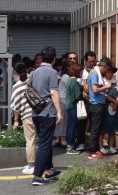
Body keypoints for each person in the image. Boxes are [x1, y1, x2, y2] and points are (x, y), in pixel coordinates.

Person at [29, 46, 63, 187]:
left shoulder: (34, 72)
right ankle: (37, 176)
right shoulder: (52, 72)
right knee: (44, 144)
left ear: (41, 58)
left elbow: (29, 90)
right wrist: (59, 111)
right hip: (47, 112)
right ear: (54, 60)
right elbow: (54, 93)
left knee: (45, 141)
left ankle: (48, 170)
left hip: (35, 112)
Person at [11, 61, 36, 175]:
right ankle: (42, 164)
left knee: (30, 141)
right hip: (38, 112)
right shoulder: (31, 80)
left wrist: (16, 120)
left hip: (27, 115)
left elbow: (16, 106)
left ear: (15, 72)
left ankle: (31, 165)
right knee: (42, 141)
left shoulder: (17, 86)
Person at [87, 57, 113, 159]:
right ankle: (92, 151)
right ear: (102, 66)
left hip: (98, 104)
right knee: (95, 129)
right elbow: (95, 90)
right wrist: (106, 87)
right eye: (106, 69)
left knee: (97, 128)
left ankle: (96, 150)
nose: (106, 71)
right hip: (96, 104)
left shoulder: (96, 73)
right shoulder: (94, 74)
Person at [100, 67, 118, 155]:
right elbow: (103, 95)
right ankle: (101, 146)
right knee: (103, 127)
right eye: (108, 71)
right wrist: (114, 101)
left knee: (112, 128)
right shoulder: (102, 81)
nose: (110, 73)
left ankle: (111, 146)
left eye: (111, 71)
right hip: (106, 106)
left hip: (115, 106)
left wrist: (116, 102)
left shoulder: (116, 81)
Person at [65, 63, 84, 155]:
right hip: (73, 106)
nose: (81, 73)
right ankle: (70, 147)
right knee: (72, 127)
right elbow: (78, 96)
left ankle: (69, 146)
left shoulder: (69, 80)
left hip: (69, 105)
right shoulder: (75, 82)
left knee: (70, 126)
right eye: (80, 71)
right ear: (77, 72)